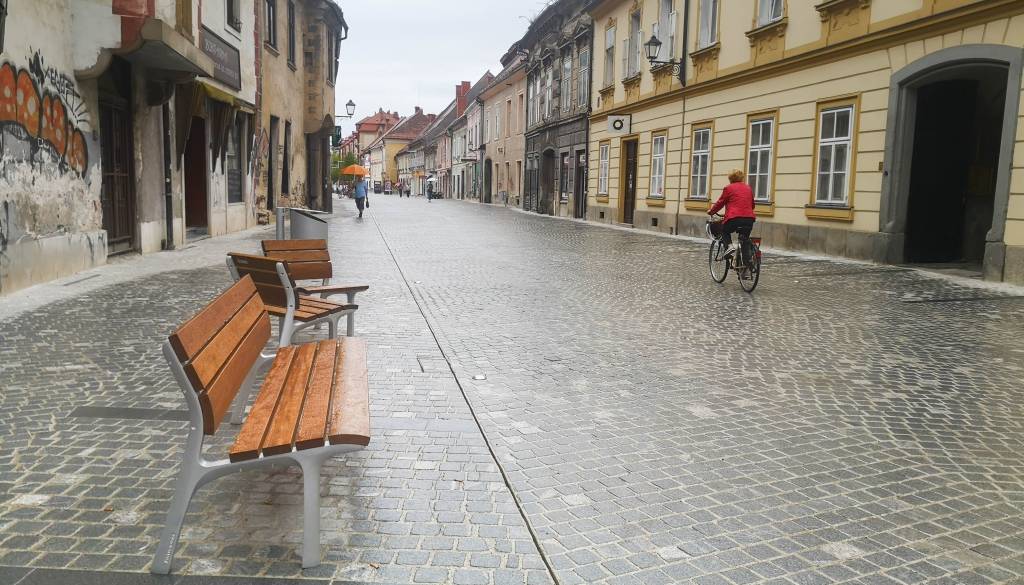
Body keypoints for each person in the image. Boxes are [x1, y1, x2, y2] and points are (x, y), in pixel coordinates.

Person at [708, 169, 756, 261]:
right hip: (749, 219)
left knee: (724, 230)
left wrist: (711, 211)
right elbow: (752, 205)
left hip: (734, 218)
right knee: (744, 239)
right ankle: (747, 264)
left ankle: (729, 246)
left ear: (730, 178)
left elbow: (720, 203)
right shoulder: (748, 188)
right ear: (741, 178)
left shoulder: (728, 188)